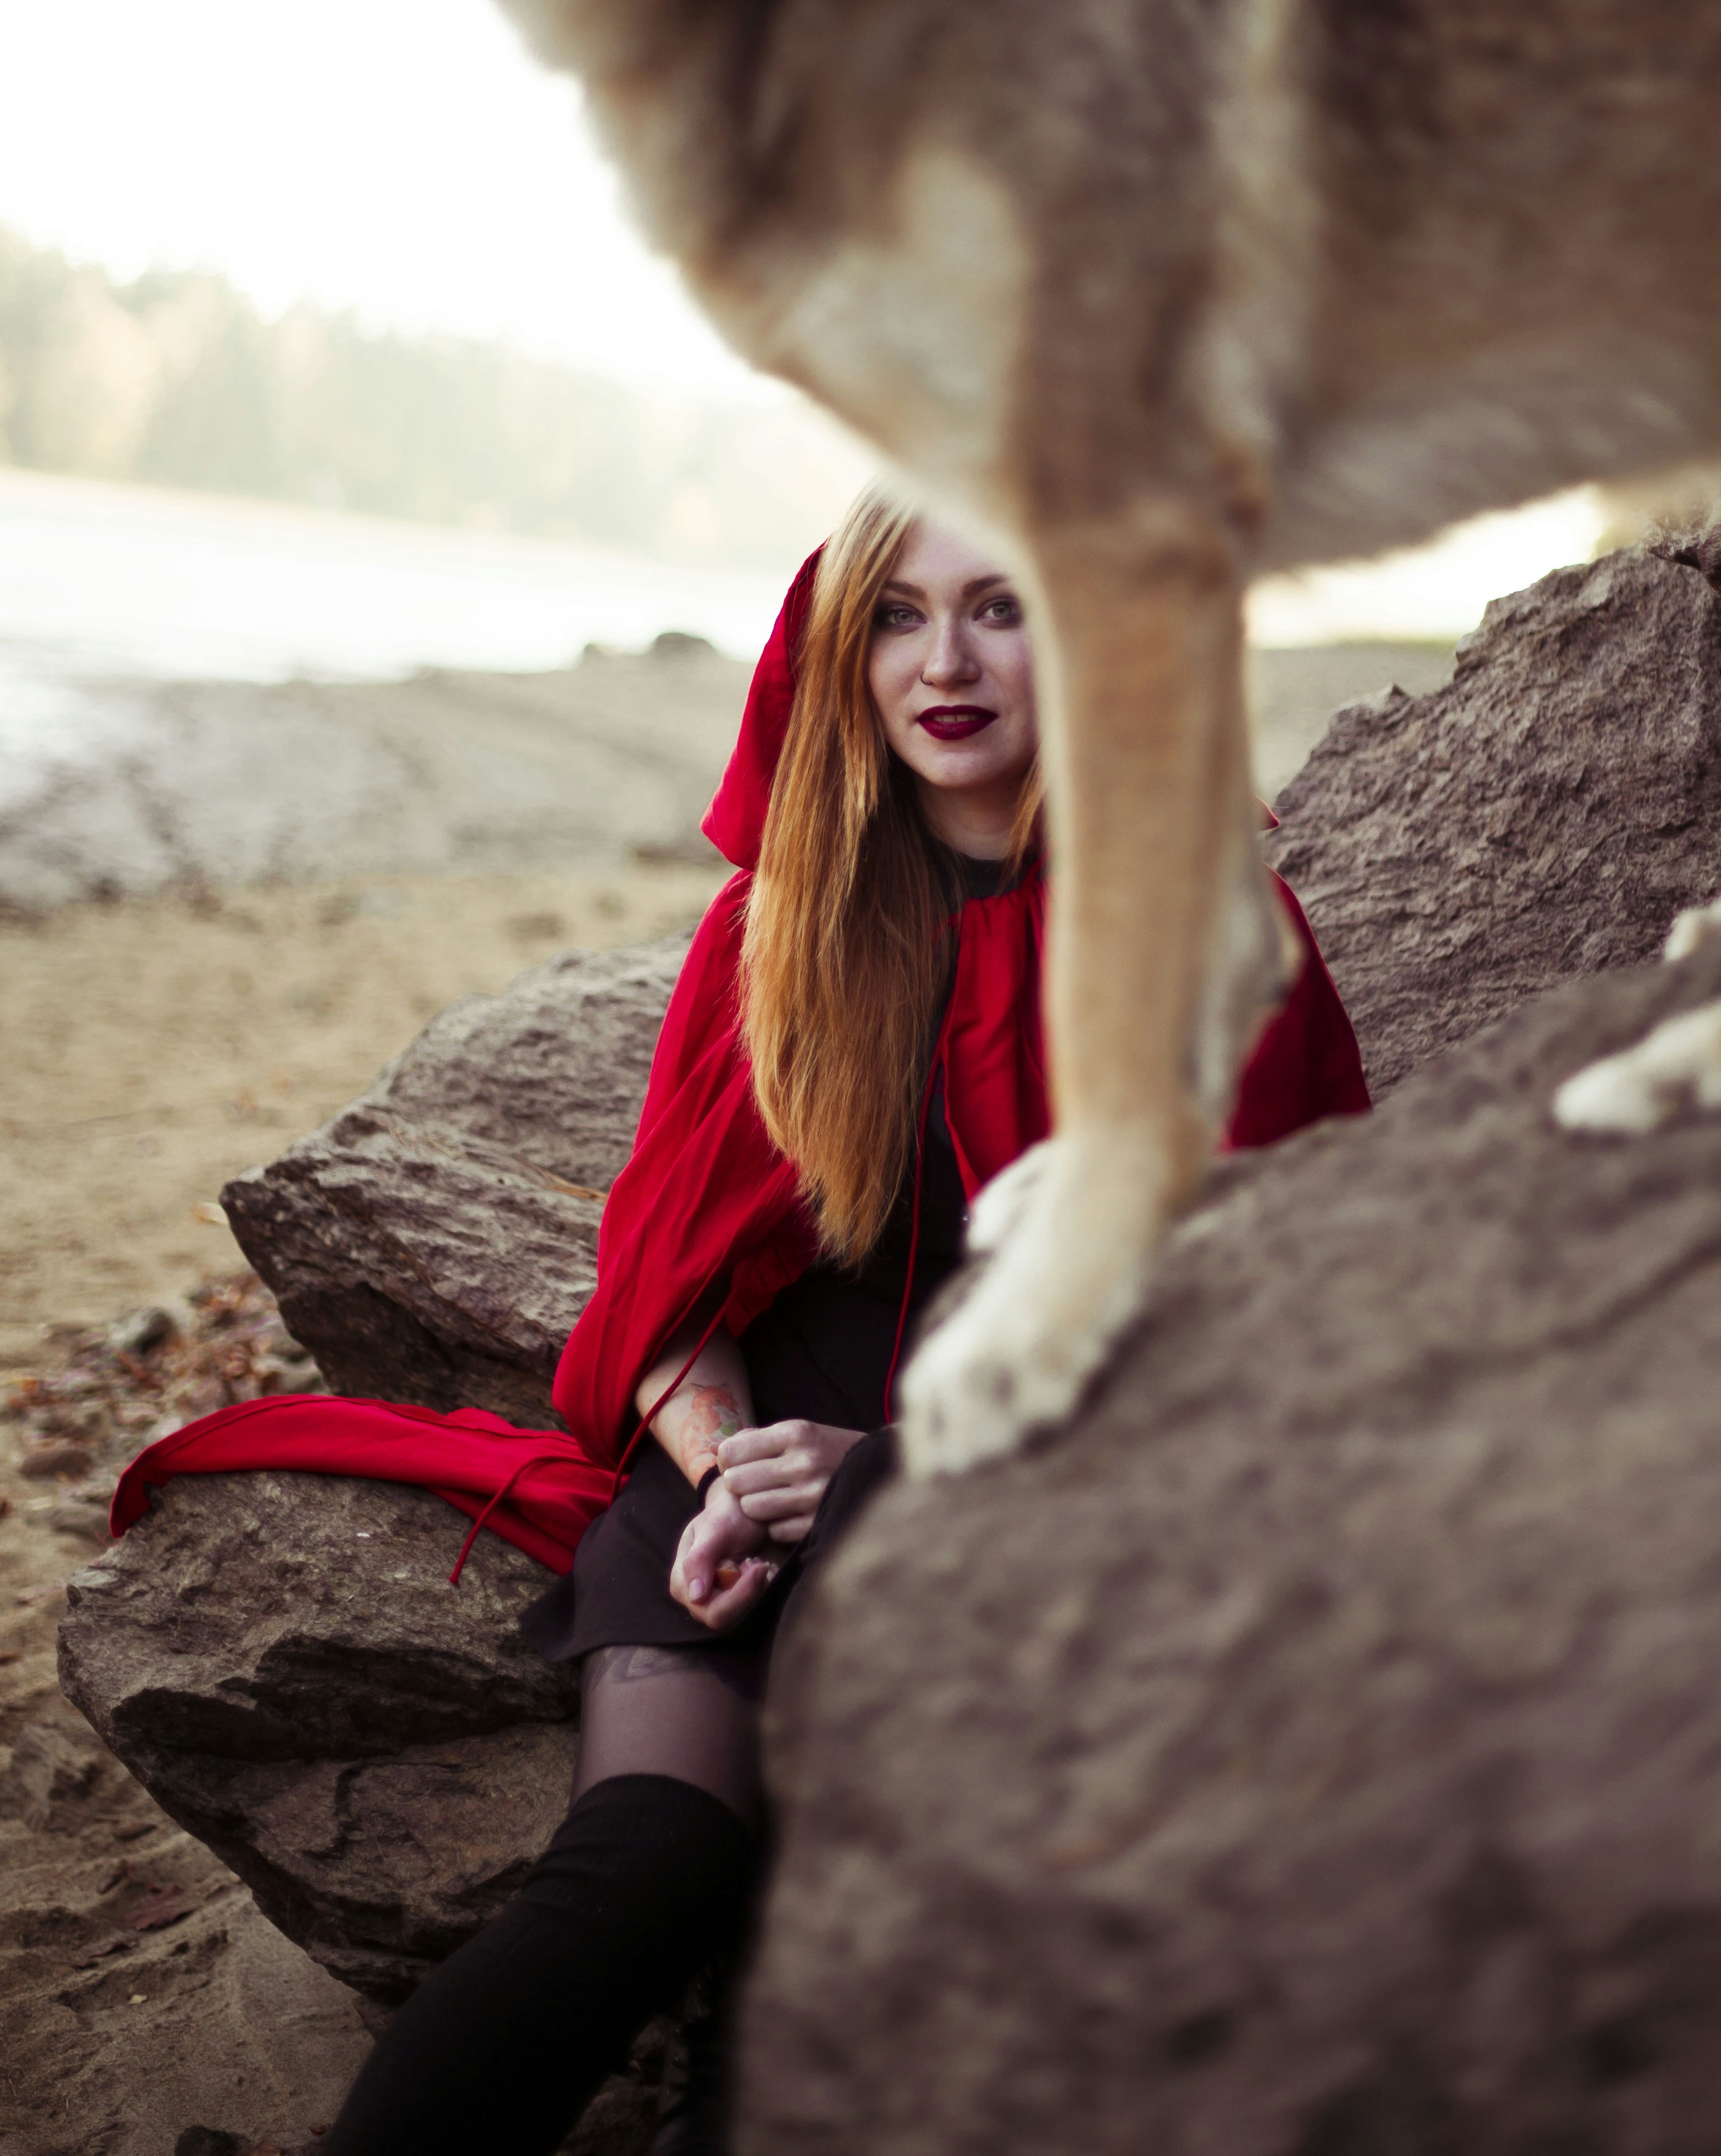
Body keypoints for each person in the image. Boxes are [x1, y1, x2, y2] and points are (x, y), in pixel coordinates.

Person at [116, 490, 1369, 2156]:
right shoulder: (782, 934)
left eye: (1002, 608)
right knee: (644, 1866)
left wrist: (892, 1474)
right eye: (896, 617)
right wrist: (723, 1472)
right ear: (838, 657)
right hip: (762, 1466)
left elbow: (1256, 1332)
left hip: (1052, 1489)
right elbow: (664, 1293)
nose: (946, 661)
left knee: (850, 1919)